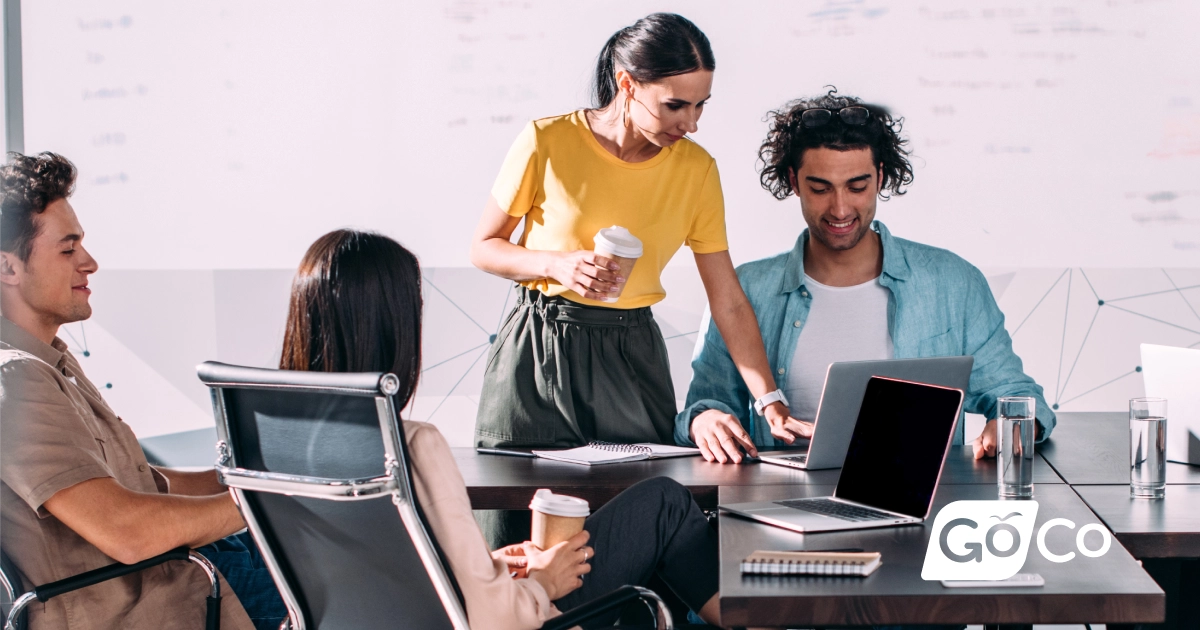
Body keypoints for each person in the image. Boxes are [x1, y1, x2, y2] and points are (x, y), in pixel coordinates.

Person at [279, 228, 723, 629]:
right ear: (392, 330)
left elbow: (378, 579)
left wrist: (487, 566)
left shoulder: (279, 441)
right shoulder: (413, 446)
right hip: (502, 620)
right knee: (663, 503)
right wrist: (543, 583)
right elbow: (493, 617)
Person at [469, 13, 806, 451]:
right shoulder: (545, 141)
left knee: (635, 510)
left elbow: (728, 300)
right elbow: (484, 248)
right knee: (515, 507)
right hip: (538, 348)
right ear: (626, 84)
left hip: (632, 354)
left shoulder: (696, 170)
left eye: (701, 104)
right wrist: (556, 265)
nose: (691, 123)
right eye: (676, 105)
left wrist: (769, 401)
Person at [676, 90, 1055, 464]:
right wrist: (703, 420)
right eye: (820, 188)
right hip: (782, 500)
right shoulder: (745, 290)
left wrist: (1013, 425)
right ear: (794, 182)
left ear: (880, 177)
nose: (840, 208)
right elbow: (707, 402)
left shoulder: (953, 283)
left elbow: (1016, 394)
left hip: (919, 500)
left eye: (857, 187)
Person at [0, 152, 284, 630]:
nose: (89, 262)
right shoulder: (16, 381)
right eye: (68, 250)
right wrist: (271, 502)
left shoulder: (52, 362)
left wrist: (251, 477)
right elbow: (127, 530)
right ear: (8, 269)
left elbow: (142, 484)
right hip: (154, 606)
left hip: (178, 581)